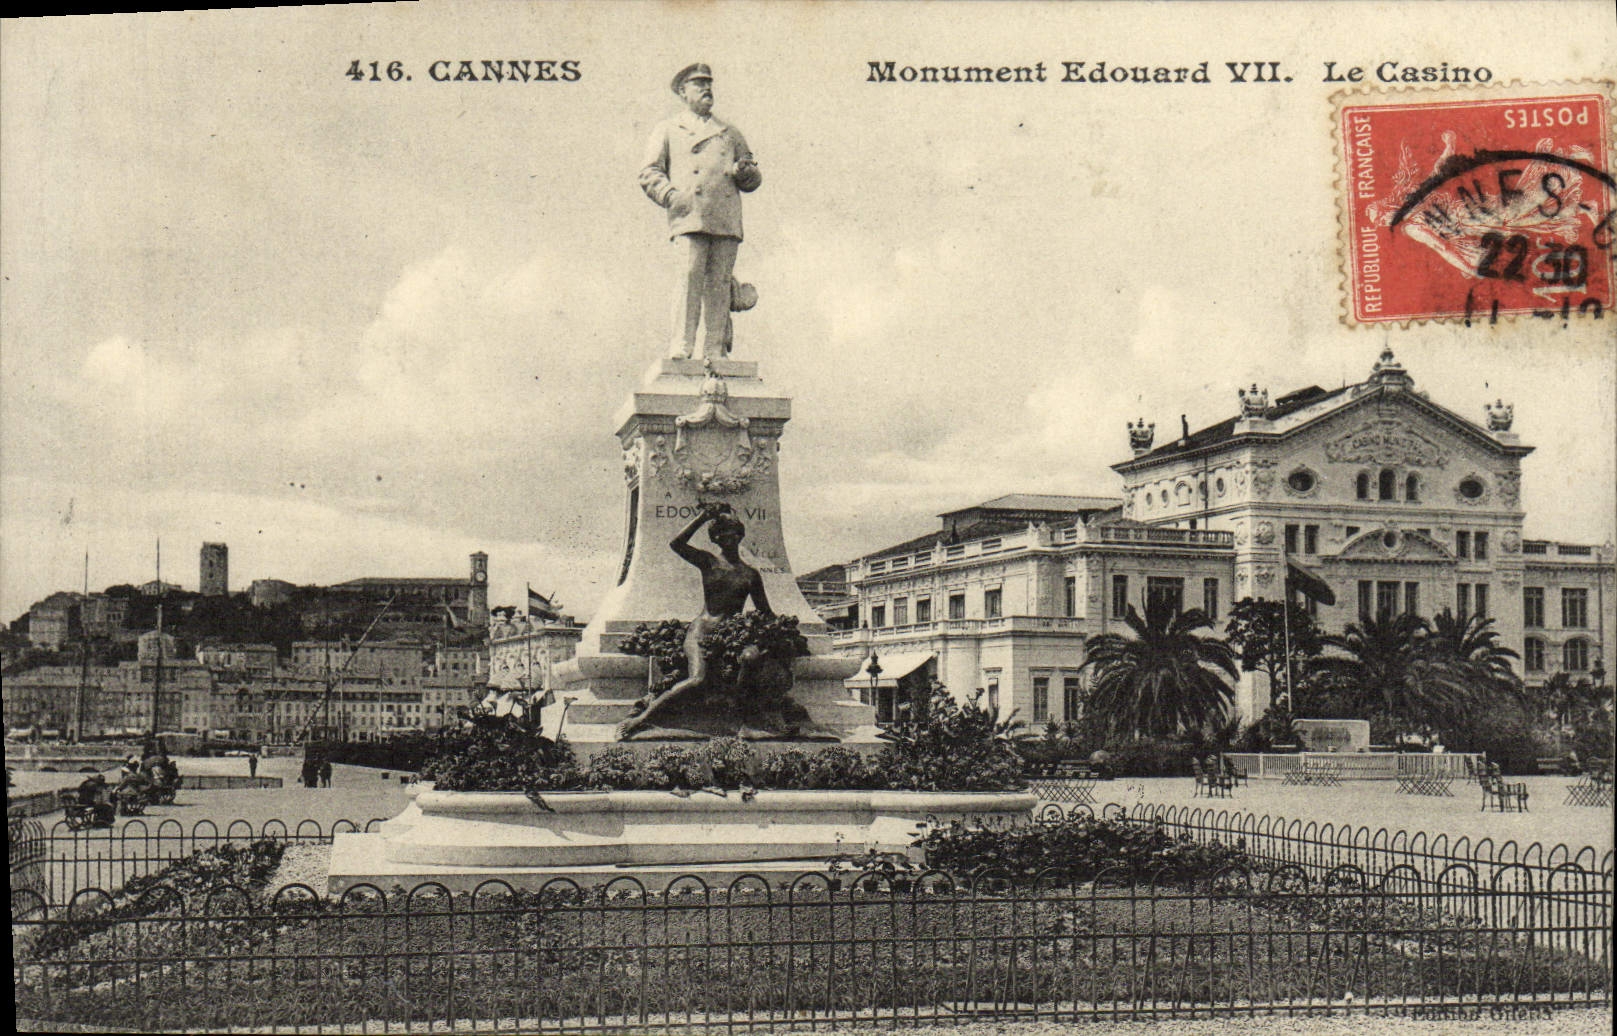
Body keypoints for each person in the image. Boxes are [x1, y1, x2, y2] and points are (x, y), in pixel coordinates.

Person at [639, 63, 761, 360]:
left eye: (709, 84)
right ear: (683, 92)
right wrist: (671, 196)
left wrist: (744, 172)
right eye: (698, 84)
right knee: (689, 277)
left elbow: (754, 178)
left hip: (725, 218)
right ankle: (681, 344)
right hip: (690, 215)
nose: (707, 89)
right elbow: (649, 172)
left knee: (720, 283)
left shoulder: (730, 133)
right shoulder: (668, 129)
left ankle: (715, 348)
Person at [620, 501, 771, 737]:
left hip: (731, 636)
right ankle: (643, 718)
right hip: (702, 630)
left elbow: (765, 612)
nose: (728, 537)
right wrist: (702, 517)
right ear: (715, 538)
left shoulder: (751, 575)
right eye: (722, 533)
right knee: (698, 679)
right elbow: (676, 544)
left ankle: (741, 719)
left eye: (733, 532)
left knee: (751, 658)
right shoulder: (708, 562)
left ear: (740, 535)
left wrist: (772, 634)